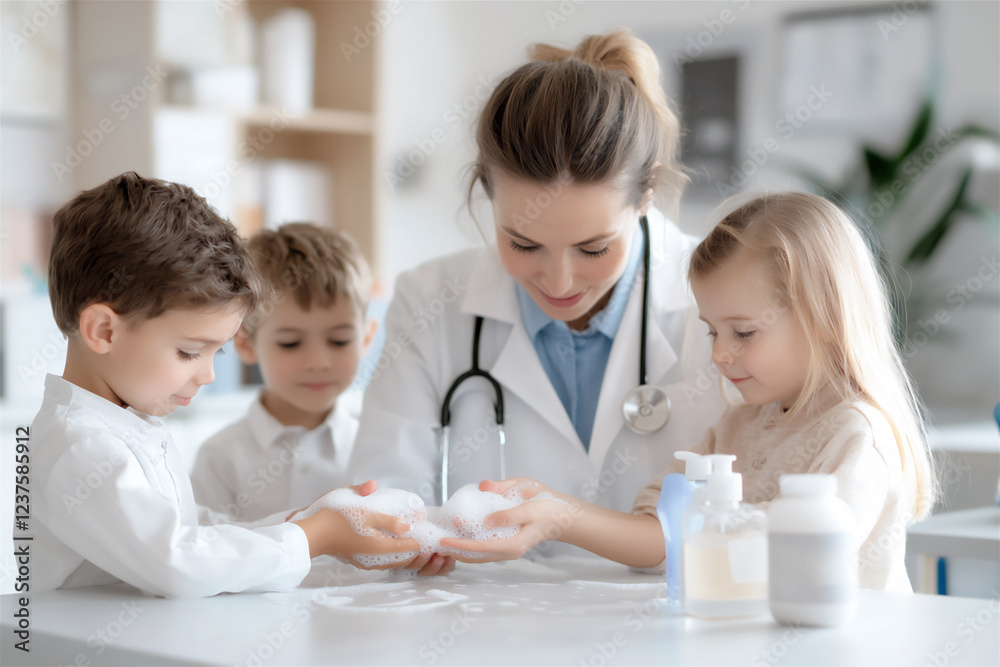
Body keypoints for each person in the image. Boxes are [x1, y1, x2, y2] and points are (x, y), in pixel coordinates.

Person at [441, 192, 937, 592]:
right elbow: (662, 538)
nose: (720, 353)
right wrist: (558, 513)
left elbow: (801, 557)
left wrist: (709, 525)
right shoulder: (739, 425)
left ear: (825, 319)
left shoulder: (856, 435)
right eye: (712, 331)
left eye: (744, 332)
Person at [347, 30, 724, 523]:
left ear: (647, 192)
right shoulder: (429, 299)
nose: (560, 282)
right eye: (524, 245)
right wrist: (400, 533)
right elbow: (382, 501)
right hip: (485, 578)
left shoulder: (725, 300)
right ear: (486, 189)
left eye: (593, 248)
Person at [28, 172, 423, 597]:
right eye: (188, 351)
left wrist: (309, 522)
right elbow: (178, 562)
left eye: (216, 353)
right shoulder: (80, 448)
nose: (208, 375)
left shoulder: (121, 428)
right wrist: (314, 536)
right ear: (104, 331)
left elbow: (201, 535)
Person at [191, 223, 374, 523]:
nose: (318, 362)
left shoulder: (373, 447)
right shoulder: (220, 458)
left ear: (366, 338)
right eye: (290, 343)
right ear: (245, 343)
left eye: (339, 341)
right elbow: (204, 546)